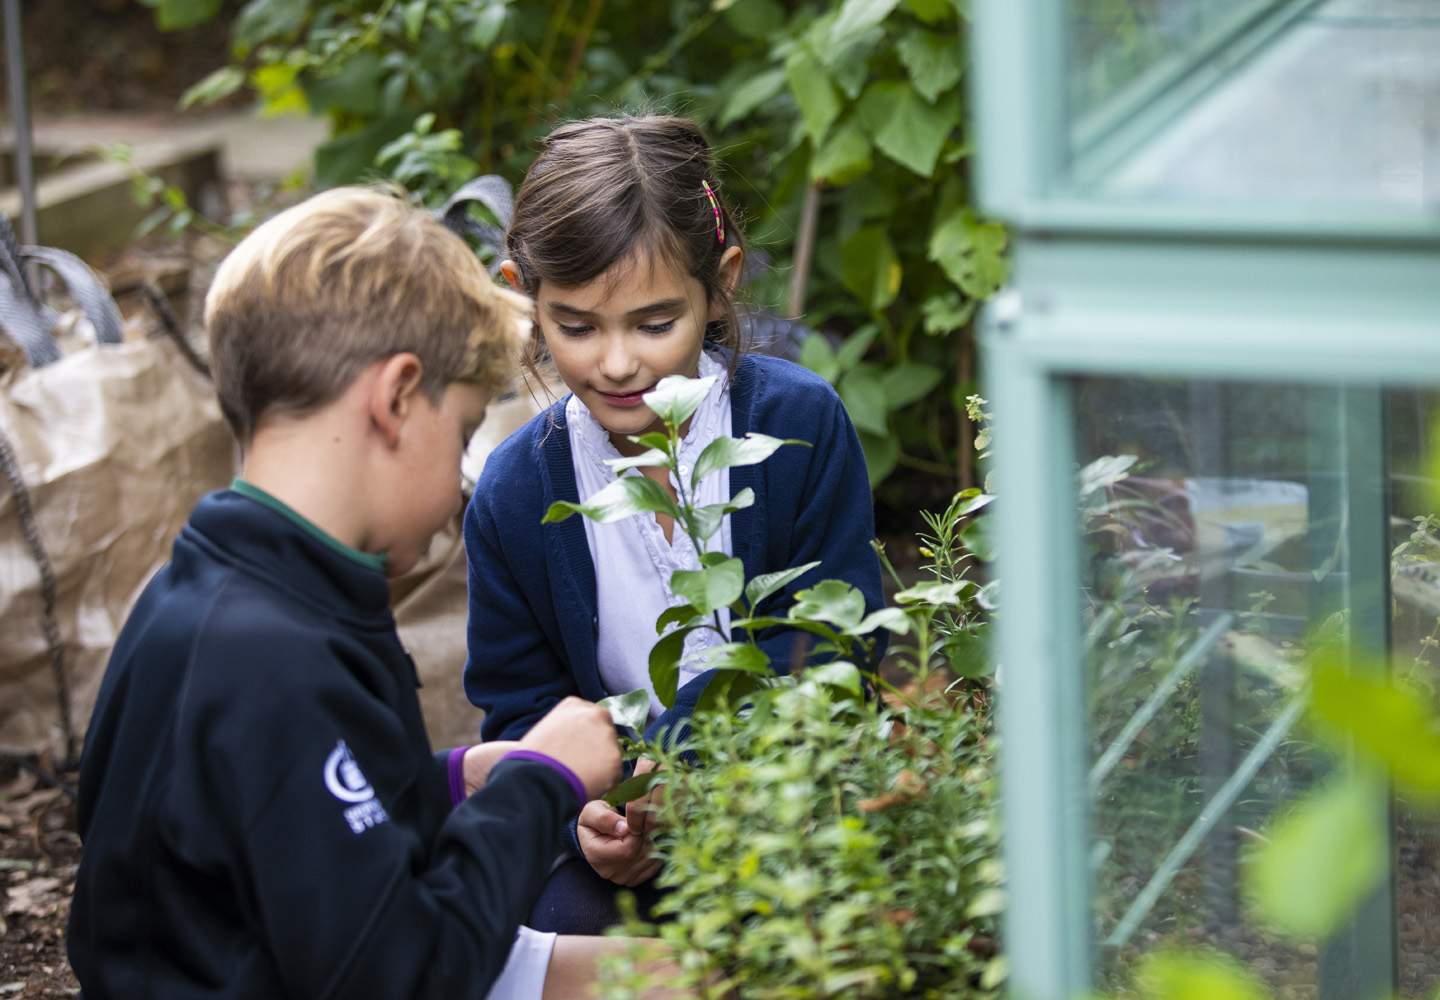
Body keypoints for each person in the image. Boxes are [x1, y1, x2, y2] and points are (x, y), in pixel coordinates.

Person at [66, 187, 672, 1000]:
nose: (460, 480)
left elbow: (292, 833)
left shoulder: (215, 592)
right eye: (459, 433)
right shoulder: (271, 661)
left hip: (316, 960)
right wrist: (541, 782)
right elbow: (401, 973)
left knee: (691, 978)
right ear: (394, 400)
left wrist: (460, 778)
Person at [463, 115, 886, 934]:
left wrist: (680, 762)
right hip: (627, 851)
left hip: (796, 807)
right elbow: (519, 712)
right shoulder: (516, 494)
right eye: (575, 326)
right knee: (540, 935)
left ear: (721, 282)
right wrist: (583, 823)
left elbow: (836, 644)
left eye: (655, 323)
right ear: (524, 295)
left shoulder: (798, 429)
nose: (617, 363)